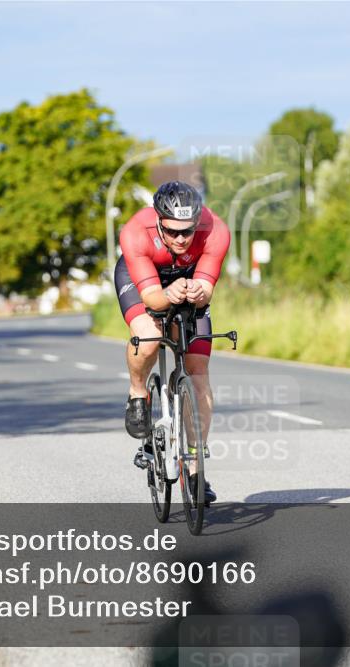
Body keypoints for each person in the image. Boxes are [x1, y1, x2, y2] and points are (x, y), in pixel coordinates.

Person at [115, 181, 230, 506]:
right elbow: (152, 296)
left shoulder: (216, 231)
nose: (181, 238)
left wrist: (197, 292)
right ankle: (138, 391)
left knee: (198, 370)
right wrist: (166, 294)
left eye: (188, 232)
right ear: (158, 220)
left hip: (189, 277)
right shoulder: (136, 232)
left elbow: (207, 287)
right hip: (143, 278)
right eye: (172, 231)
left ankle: (194, 467)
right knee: (149, 337)